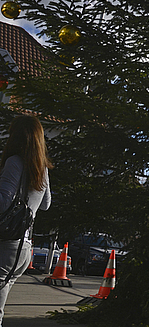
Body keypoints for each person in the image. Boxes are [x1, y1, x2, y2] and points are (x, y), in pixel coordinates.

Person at [0, 115, 52, 324]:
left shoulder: (14, 162)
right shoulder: (42, 168)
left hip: (6, 245)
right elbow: (46, 204)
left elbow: (3, 202)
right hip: (24, 248)